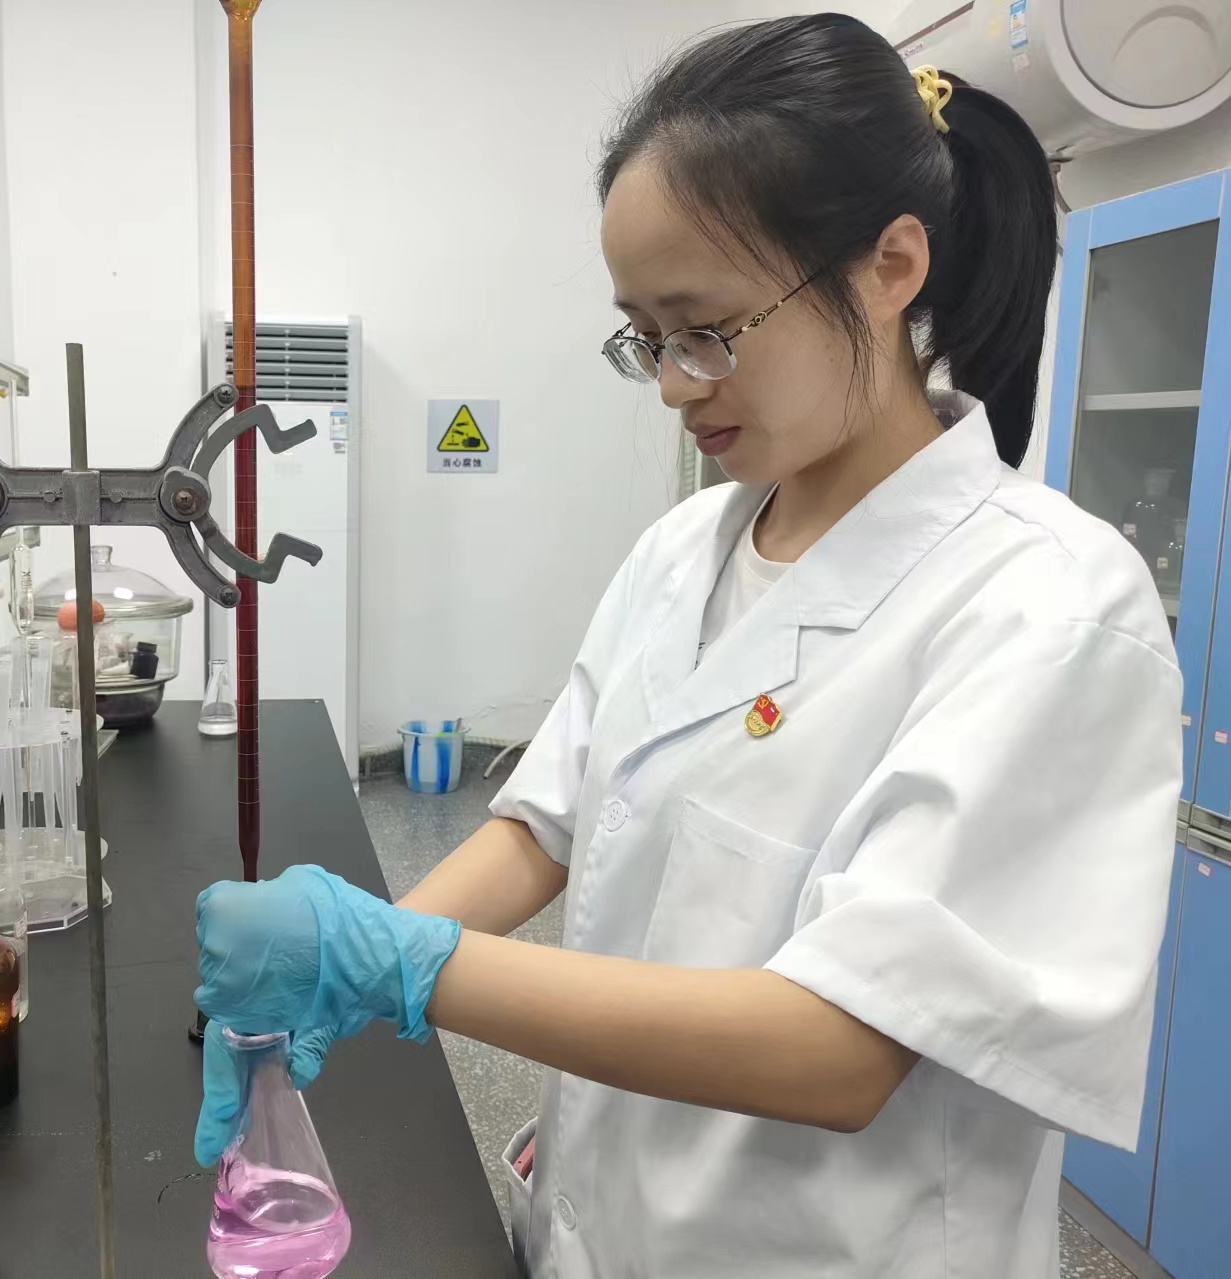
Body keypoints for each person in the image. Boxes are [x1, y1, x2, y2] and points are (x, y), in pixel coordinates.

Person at [193, 13, 1181, 1277]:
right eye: (643, 336)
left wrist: (402, 963)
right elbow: (543, 826)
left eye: (705, 328)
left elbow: (839, 1046)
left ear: (888, 267)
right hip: (598, 1230)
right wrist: (340, 964)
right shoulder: (682, 551)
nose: (671, 381)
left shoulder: (1047, 606)